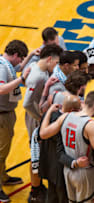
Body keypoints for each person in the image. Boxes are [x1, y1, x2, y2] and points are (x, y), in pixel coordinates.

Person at [39, 91, 94, 202]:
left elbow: (43, 134)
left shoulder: (66, 116)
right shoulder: (90, 125)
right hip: (84, 172)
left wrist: (49, 110)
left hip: (68, 170)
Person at [23, 44, 63, 202]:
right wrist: (39, 117)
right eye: (56, 62)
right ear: (49, 59)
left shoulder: (36, 66)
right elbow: (26, 104)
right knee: (36, 155)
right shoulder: (38, 76)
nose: (57, 66)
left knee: (38, 153)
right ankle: (35, 192)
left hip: (37, 116)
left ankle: (37, 186)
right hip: (35, 119)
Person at [38, 94, 86, 203]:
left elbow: (41, 133)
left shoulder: (48, 115)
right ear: (73, 110)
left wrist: (49, 110)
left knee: (51, 195)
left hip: (48, 164)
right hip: (60, 167)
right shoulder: (66, 123)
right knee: (62, 198)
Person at [0, 39, 29, 202]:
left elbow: (17, 68)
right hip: (1, 115)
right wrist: (21, 80)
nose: (21, 62)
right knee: (0, 152)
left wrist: (31, 54)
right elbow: (1, 89)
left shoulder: (6, 63)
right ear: (16, 54)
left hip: (6, 113)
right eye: (22, 57)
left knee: (4, 149)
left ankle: (3, 176)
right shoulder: (1, 67)